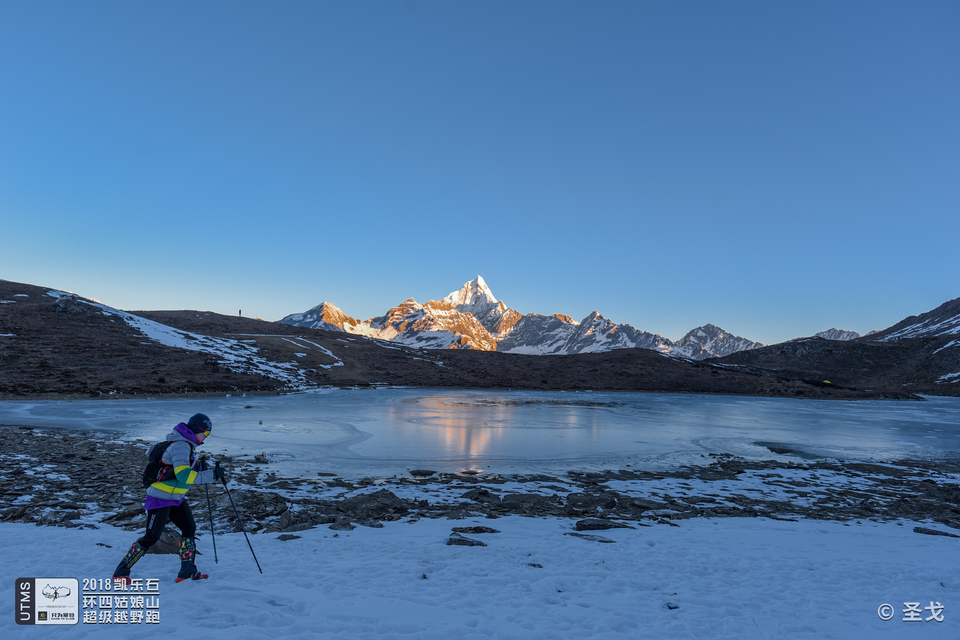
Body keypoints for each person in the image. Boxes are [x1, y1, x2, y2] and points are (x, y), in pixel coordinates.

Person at [112, 413, 227, 584]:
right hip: (159, 498)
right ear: (197, 430)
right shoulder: (181, 446)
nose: (206, 437)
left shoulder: (185, 445)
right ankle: (121, 571)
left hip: (175, 498)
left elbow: (177, 471)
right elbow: (183, 476)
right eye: (206, 433)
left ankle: (187, 571)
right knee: (151, 537)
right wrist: (211, 475)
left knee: (189, 528)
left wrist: (199, 467)